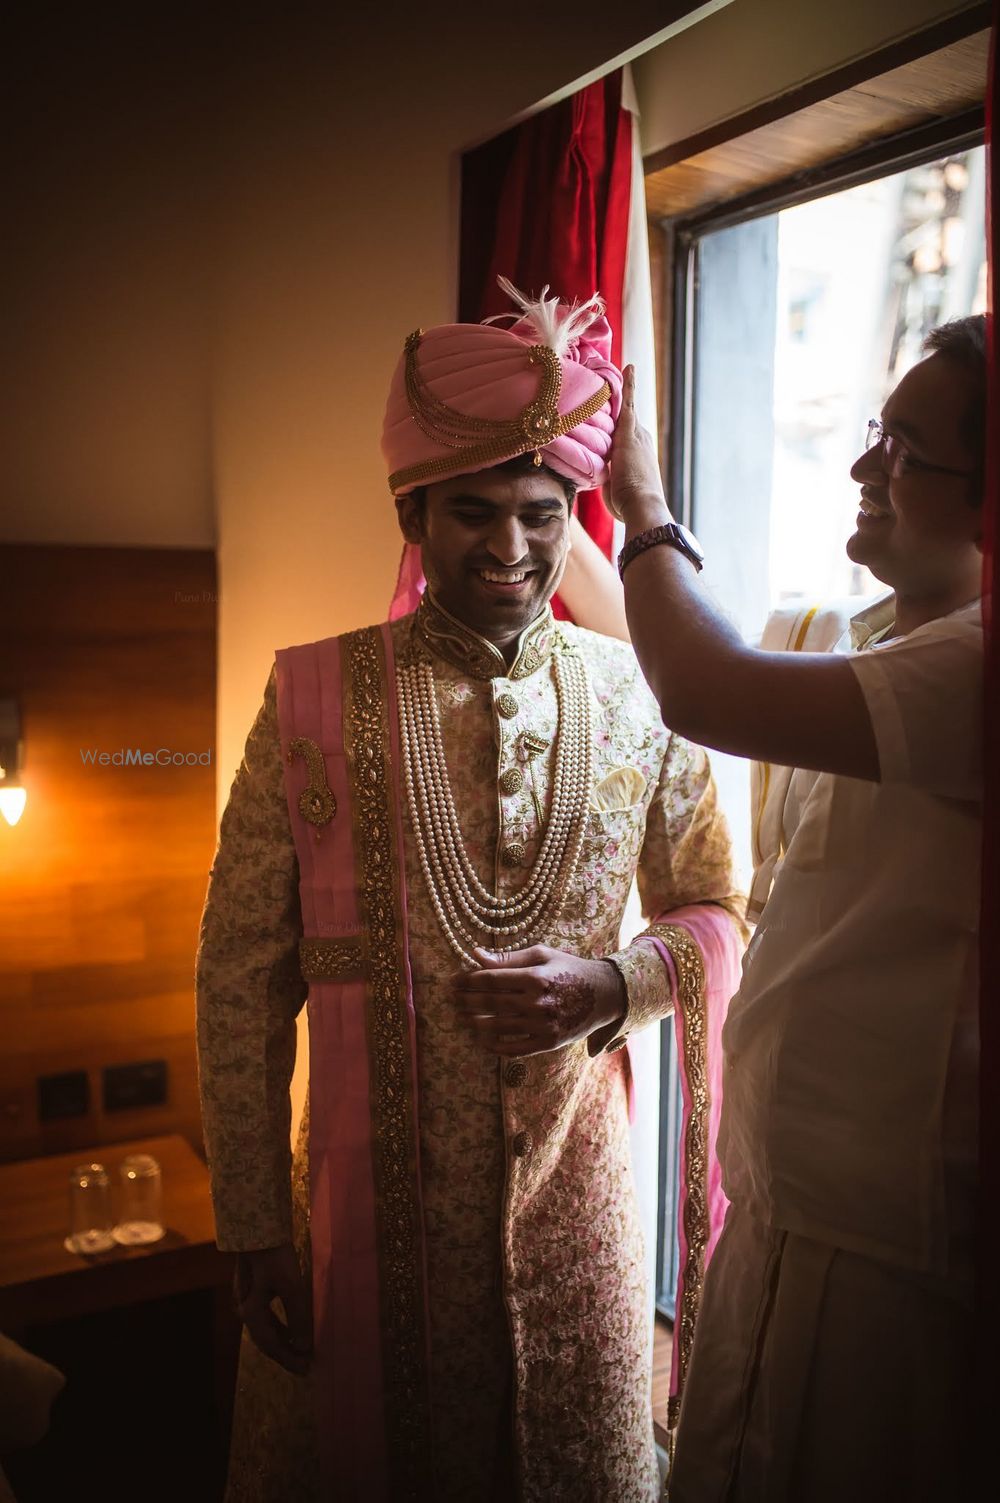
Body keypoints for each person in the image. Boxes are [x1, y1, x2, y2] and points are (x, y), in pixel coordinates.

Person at [195, 281, 745, 1503]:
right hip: (362, 1213)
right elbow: (239, 972)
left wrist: (615, 981)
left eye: (541, 515)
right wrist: (252, 1224)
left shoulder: (644, 697)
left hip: (580, 1204)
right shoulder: (312, 700)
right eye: (473, 514)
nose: (510, 550)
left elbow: (715, 908)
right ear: (414, 513)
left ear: (573, 517)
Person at [607, 315, 986, 1502]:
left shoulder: (973, 667)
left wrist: (645, 507)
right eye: (875, 432)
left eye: (905, 450)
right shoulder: (872, 643)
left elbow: (702, 685)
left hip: (881, 1235)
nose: (866, 466)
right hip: (781, 1193)